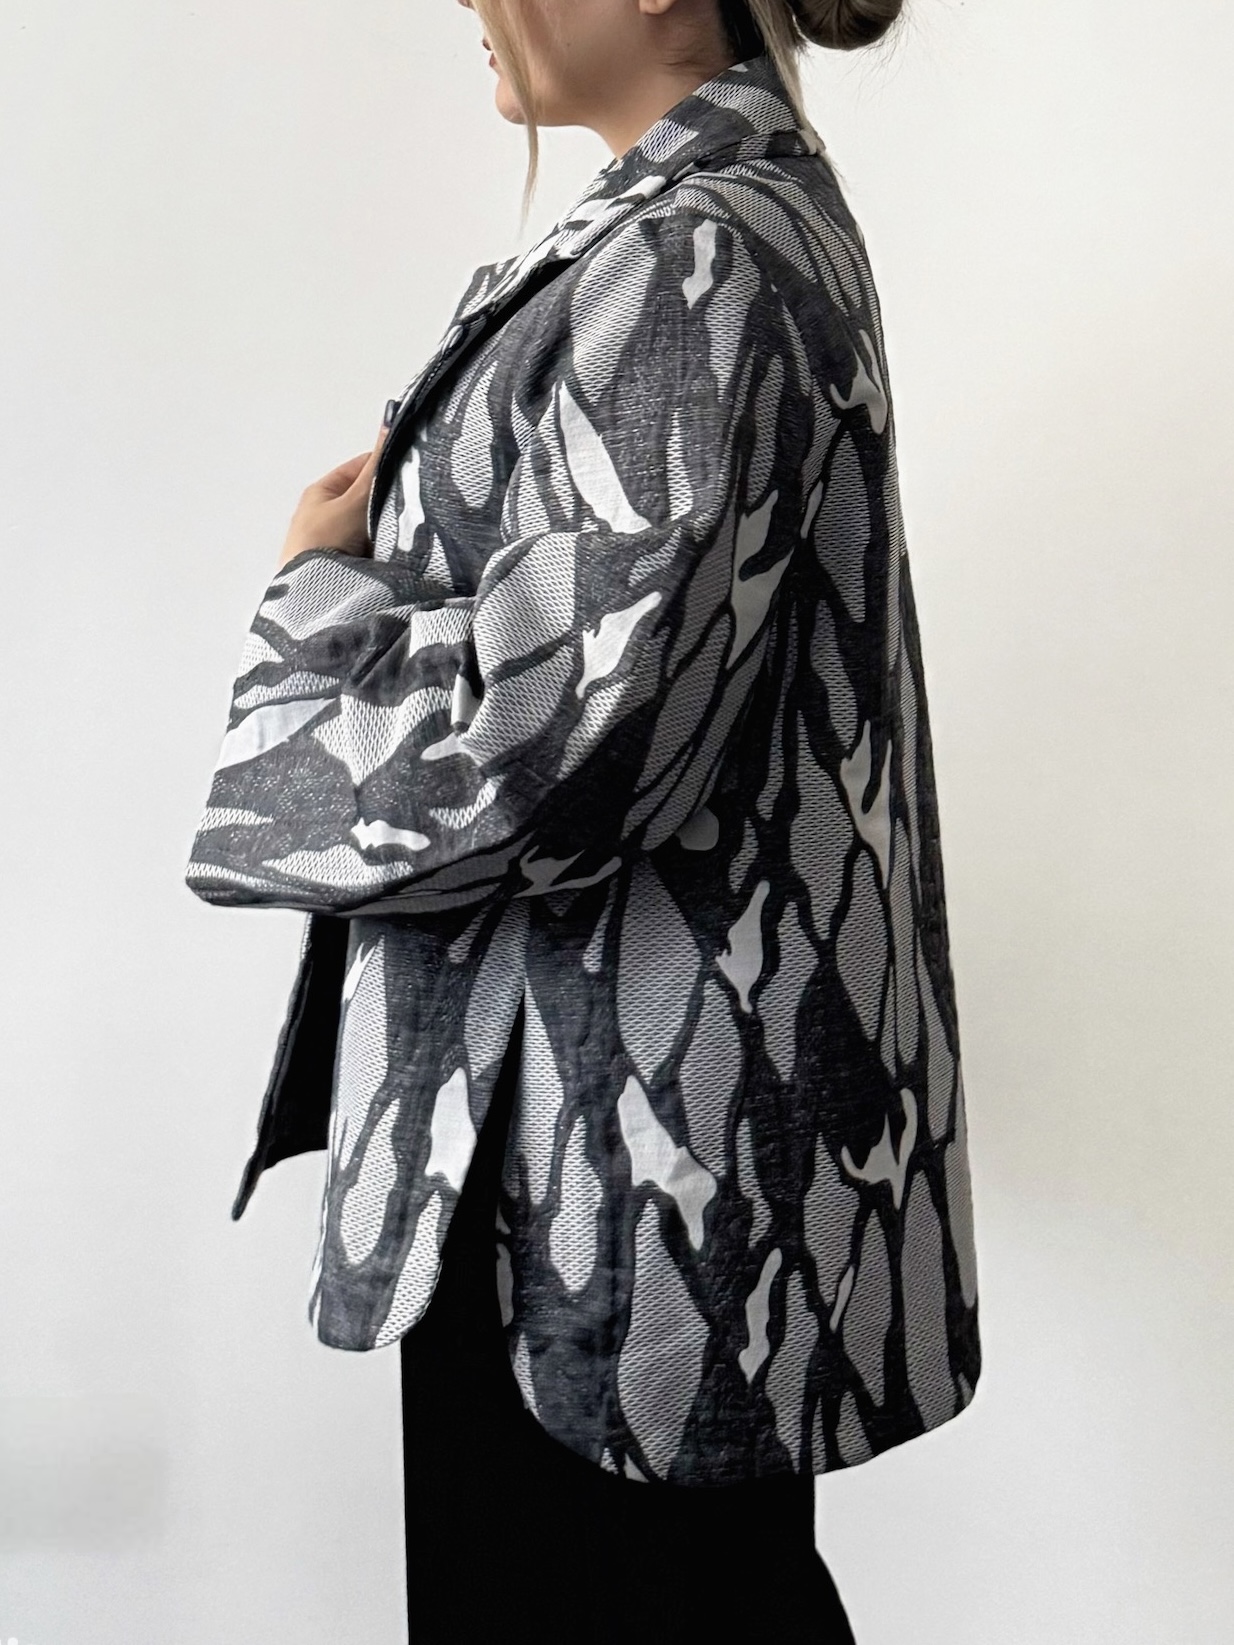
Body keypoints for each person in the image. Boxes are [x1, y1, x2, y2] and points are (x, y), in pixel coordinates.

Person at [186, 0, 982, 1638]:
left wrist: (315, 605)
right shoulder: (708, 226)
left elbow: (556, 758)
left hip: (599, 1173)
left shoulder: (695, 258)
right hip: (606, 1143)